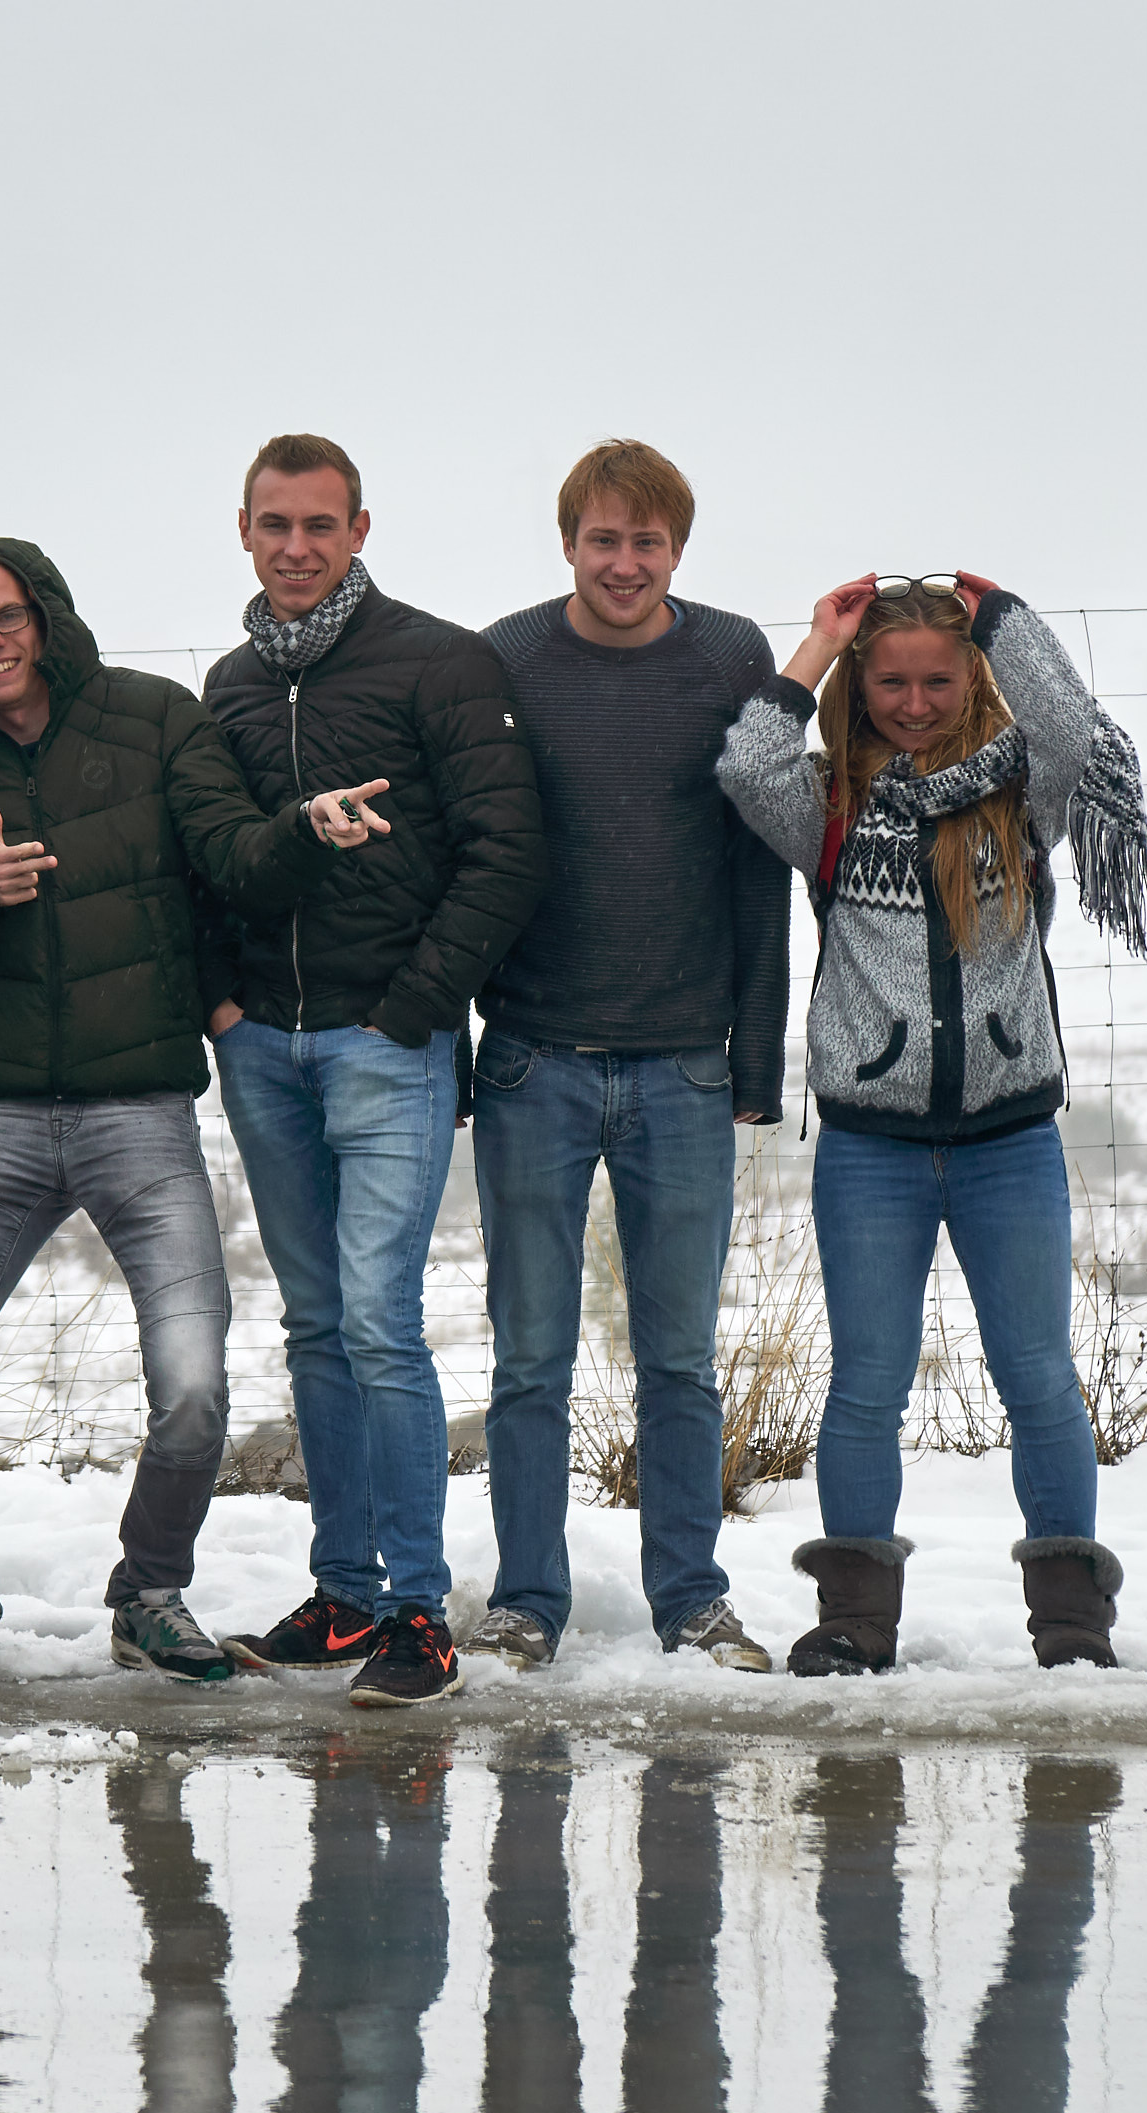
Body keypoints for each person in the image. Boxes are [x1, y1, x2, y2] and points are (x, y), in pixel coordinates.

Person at [0, 537, 384, 1697]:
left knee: (197, 1385)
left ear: (43, 614)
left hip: (141, 1109)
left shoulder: (155, 720)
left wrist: (303, 832)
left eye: (4, 617)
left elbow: (228, 856)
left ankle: (150, 1595)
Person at [719, 572, 1147, 1674]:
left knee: (1038, 1378)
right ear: (860, 685)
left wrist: (1003, 619)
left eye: (938, 680)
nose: (914, 702)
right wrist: (819, 644)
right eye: (890, 682)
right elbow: (746, 762)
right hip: (870, 1146)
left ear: (971, 678)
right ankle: (853, 1622)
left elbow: (1075, 730)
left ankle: (1070, 1624)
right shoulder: (824, 805)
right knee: (867, 1382)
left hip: (1009, 1141)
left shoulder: (1022, 793)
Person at [198, 435, 543, 1710]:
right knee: (314, 1327)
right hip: (264, 1049)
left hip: (386, 1045)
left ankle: (416, 1612)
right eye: (275, 525)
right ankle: (341, 1590)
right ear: (243, 530)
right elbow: (209, 858)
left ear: (360, 530)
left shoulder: (439, 661)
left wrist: (411, 1010)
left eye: (321, 525)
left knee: (381, 1323)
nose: (298, 547)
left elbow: (507, 852)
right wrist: (222, 1005)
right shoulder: (229, 686)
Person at [465, 440, 791, 1675]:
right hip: (533, 1058)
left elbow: (759, 858)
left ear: (677, 550)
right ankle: (526, 1603)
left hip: (684, 1066)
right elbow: (462, 850)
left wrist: (754, 1057)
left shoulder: (729, 657)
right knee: (530, 1356)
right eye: (603, 539)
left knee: (680, 1360)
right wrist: (458, 1044)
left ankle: (691, 1600)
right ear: (568, 545)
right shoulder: (504, 659)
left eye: (646, 542)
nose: (623, 562)